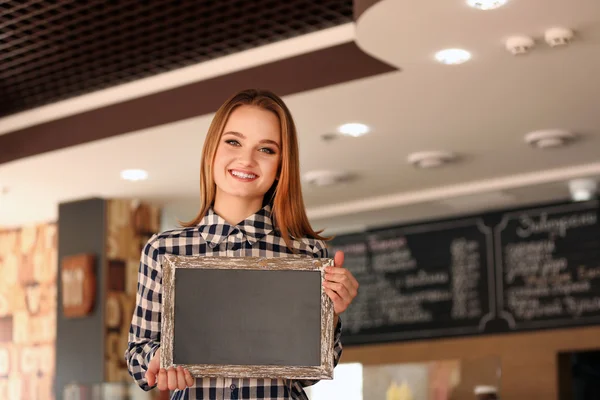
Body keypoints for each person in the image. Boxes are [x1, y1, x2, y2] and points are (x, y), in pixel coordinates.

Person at [124, 88, 359, 400]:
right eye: (233, 141)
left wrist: (334, 313)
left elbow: (306, 374)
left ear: (280, 167)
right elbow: (138, 355)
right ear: (211, 151)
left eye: (266, 149)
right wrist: (157, 360)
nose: (247, 159)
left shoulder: (306, 255)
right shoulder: (163, 252)